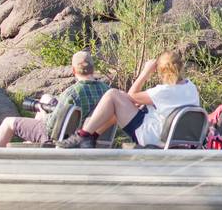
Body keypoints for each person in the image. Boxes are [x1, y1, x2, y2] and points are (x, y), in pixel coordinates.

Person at [57, 50, 200, 148]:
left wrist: (145, 72)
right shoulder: (191, 87)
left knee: (113, 95)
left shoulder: (163, 91)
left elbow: (131, 95)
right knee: (118, 102)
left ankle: (83, 135)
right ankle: (91, 138)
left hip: (153, 136)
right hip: (178, 136)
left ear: (161, 71)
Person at [0, 51, 110, 148]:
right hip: (94, 141)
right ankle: (31, 145)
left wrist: (43, 111)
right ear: (93, 69)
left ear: (73, 70)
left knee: (8, 122)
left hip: (63, 140)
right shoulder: (107, 91)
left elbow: (52, 127)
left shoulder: (72, 93)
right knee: (47, 98)